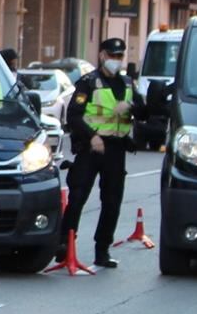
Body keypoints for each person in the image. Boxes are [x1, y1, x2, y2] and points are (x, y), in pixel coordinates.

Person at [61, 36, 143, 269]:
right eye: (112, 56)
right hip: (91, 148)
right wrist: (92, 136)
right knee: (77, 197)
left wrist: (132, 107)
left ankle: (102, 250)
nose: (115, 60)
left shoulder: (127, 83)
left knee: (112, 201)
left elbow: (145, 110)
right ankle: (65, 245)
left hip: (116, 149)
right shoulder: (88, 82)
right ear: (102, 56)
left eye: (119, 56)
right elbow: (74, 115)